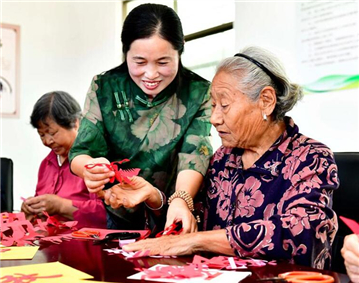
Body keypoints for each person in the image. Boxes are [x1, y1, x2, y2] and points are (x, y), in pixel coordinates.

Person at [122, 46, 339, 269]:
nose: (214, 118)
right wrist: (155, 198)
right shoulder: (224, 158)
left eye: (224, 105)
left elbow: (299, 230)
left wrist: (194, 242)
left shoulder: (310, 157)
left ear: (266, 100)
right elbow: (191, 219)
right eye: (213, 105)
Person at [69, 4, 212, 234]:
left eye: (163, 62)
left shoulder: (198, 92)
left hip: (175, 211)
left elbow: (195, 154)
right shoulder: (105, 86)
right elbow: (81, 151)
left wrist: (181, 199)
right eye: (140, 62)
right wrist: (90, 169)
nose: (151, 74)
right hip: (119, 211)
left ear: (180, 52)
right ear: (126, 53)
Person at [21, 91, 106, 229]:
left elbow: (108, 214)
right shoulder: (47, 164)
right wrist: (32, 208)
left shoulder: (93, 161)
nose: (47, 140)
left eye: (53, 133)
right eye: (41, 134)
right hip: (50, 246)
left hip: (86, 247)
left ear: (75, 123)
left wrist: (61, 206)